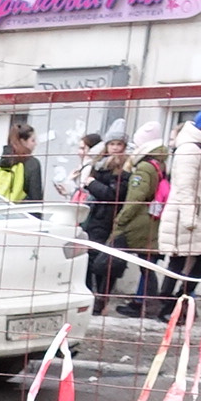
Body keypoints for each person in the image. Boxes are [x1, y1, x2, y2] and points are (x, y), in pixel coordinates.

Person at [158, 106, 201, 306]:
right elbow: (184, 187)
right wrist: (189, 217)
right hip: (185, 214)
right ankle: (169, 303)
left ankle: (176, 301)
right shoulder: (189, 150)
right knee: (181, 260)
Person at [111, 123, 169, 316]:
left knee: (142, 264)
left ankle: (146, 304)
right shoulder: (159, 164)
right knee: (147, 264)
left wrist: (121, 219)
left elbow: (135, 197)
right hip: (151, 220)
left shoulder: (144, 167)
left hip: (139, 223)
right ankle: (145, 303)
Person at [78, 131, 130, 314]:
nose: (115, 147)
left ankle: (101, 299)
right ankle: (89, 296)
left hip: (111, 219)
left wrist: (92, 183)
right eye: (112, 144)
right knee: (89, 259)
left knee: (106, 262)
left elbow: (113, 195)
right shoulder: (98, 165)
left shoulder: (125, 169)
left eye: (119, 144)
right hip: (95, 217)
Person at [0, 122, 40, 204]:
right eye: (33, 140)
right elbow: (35, 198)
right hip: (20, 213)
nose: (36, 144)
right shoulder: (32, 163)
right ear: (23, 141)